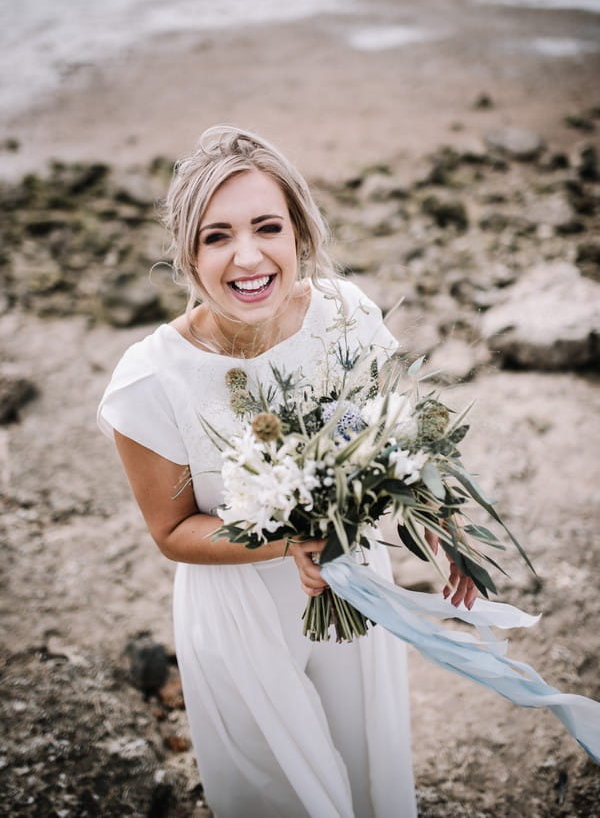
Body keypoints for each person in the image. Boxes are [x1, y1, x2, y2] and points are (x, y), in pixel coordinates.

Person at [98, 126, 477, 818]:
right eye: (216, 236)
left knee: (369, 776)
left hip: (355, 589)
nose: (247, 256)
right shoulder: (151, 379)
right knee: (283, 796)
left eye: (267, 226)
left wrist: (439, 518)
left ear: (299, 232)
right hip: (238, 613)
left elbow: (399, 433)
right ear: (188, 253)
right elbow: (172, 529)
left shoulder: (345, 316)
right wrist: (287, 542)